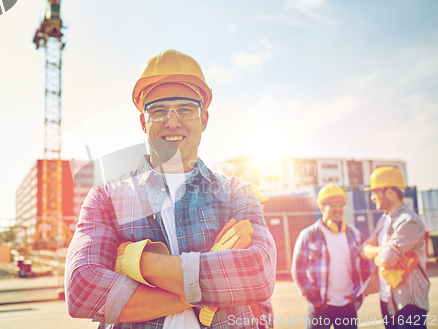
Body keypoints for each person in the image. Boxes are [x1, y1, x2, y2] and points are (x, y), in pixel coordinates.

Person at [65, 49, 276, 329]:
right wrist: (215, 283)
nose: (173, 121)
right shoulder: (106, 196)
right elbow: (82, 291)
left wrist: (136, 261)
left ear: (204, 120)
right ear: (143, 122)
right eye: (159, 110)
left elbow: (258, 273)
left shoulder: (237, 193)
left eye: (186, 109)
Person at [360, 166, 429, 329]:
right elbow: (364, 250)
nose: (372, 197)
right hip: (387, 300)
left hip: (408, 304)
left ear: (390, 191)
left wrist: (381, 253)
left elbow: (385, 260)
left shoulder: (409, 221)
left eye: (375, 192)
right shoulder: (384, 220)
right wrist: (385, 248)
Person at [291, 184, 368, 329]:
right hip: (320, 306)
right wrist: (314, 299)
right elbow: (297, 270)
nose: (338, 209)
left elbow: (365, 267)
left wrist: (359, 295)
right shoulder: (308, 235)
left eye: (341, 204)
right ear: (321, 207)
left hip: (348, 306)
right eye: (333, 204)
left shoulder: (355, 234)